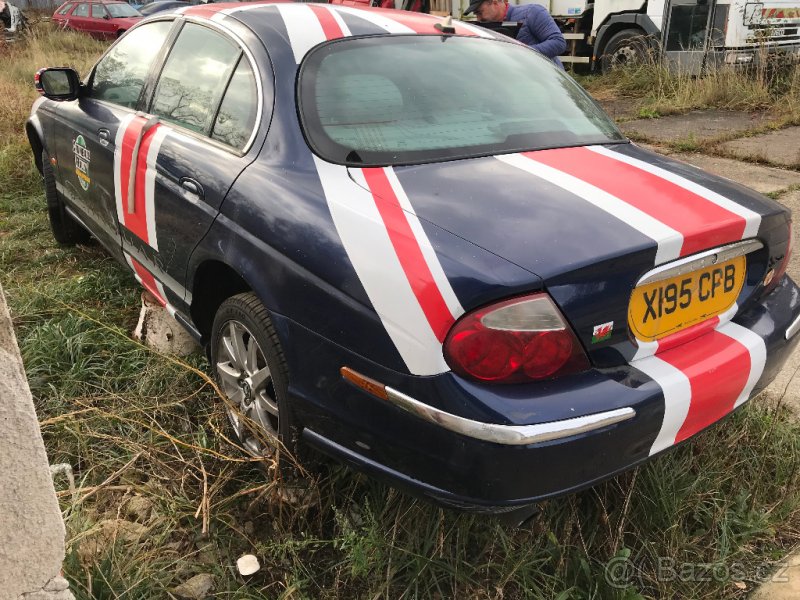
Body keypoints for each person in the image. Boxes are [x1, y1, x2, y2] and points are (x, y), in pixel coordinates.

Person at [464, 0, 567, 68]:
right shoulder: (486, 26)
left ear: (494, 3)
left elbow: (558, 42)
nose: (478, 18)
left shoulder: (532, 12)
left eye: (479, 12)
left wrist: (522, 52)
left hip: (548, 83)